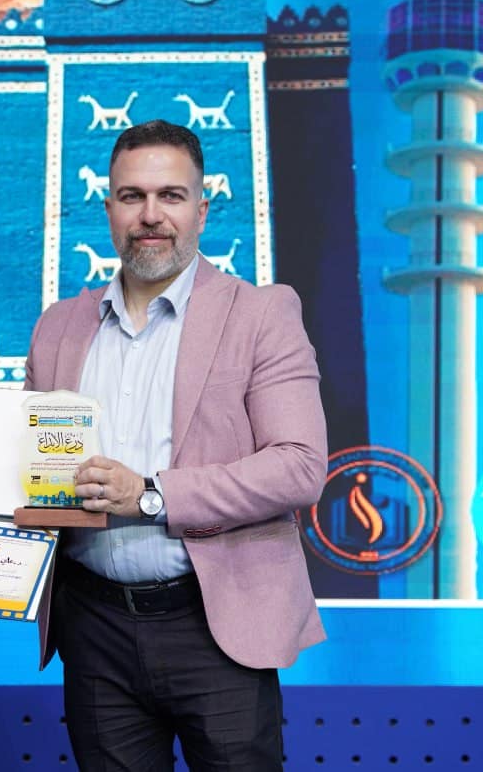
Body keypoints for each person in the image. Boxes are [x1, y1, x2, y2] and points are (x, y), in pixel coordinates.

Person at [24, 119, 327, 771]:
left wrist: (150, 494)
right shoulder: (57, 327)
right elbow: (22, 470)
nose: (150, 215)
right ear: (108, 208)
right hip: (93, 626)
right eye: (132, 196)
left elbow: (299, 466)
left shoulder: (261, 314)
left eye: (171, 196)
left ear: (202, 210)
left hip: (215, 624)